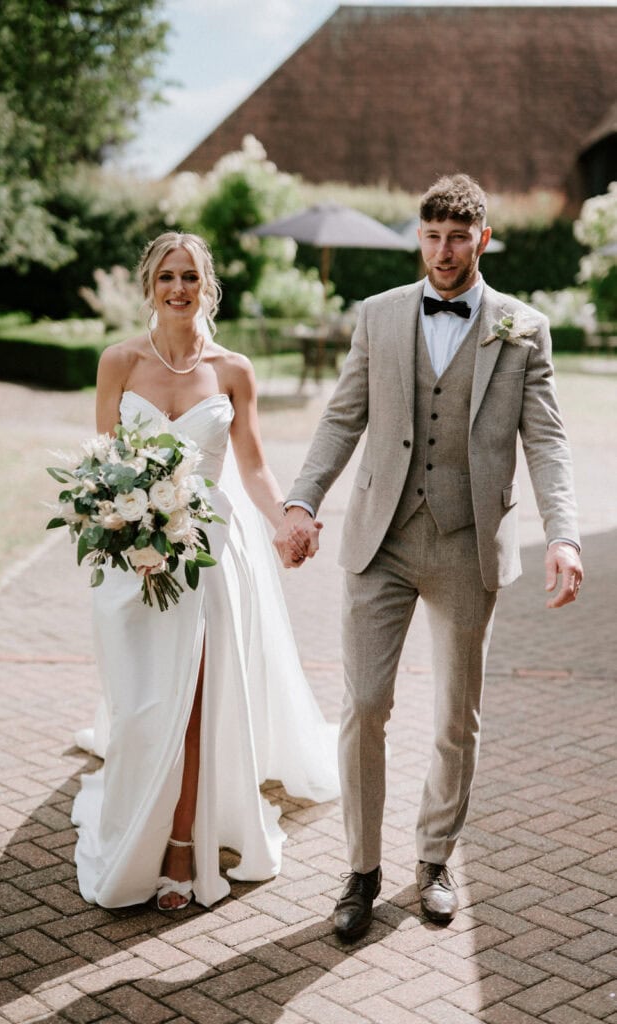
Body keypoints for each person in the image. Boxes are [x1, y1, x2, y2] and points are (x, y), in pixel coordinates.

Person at [274, 174, 583, 940]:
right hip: (379, 540)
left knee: (455, 717)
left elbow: (546, 440)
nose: (443, 252)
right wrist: (303, 500)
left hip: (466, 545)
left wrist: (565, 533)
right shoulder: (378, 315)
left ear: (483, 240)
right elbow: (342, 419)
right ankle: (360, 870)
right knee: (364, 706)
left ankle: (435, 859)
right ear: (419, 237)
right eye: (432, 237)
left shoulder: (522, 327)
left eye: (458, 238)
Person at [72, 231, 339, 911]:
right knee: (141, 707)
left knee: (193, 701)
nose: (178, 288)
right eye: (167, 276)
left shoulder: (233, 370)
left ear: (206, 286)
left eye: (190, 276)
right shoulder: (119, 362)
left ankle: (181, 843)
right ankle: (135, 821)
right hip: (131, 555)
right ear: (149, 286)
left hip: (209, 554)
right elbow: (102, 463)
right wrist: (117, 528)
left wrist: (287, 518)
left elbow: (253, 466)